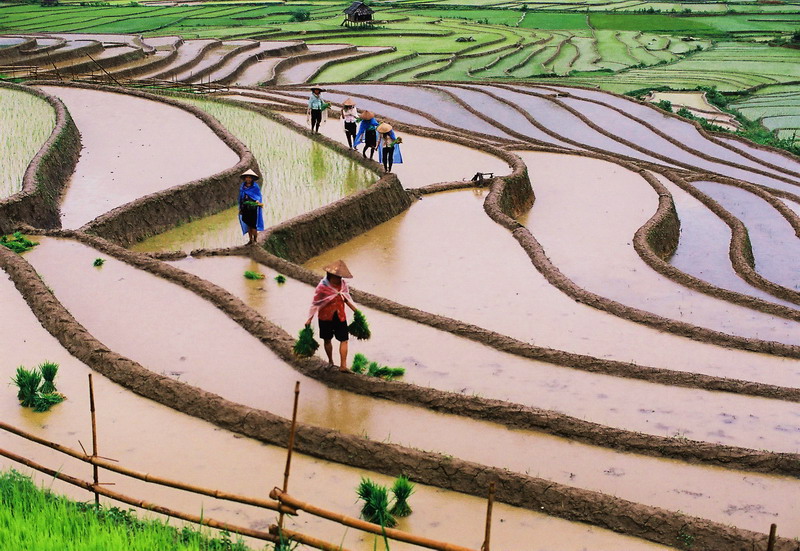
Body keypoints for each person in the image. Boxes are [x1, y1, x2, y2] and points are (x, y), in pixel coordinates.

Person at [305, 260, 357, 373]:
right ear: (331, 275)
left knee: (344, 339)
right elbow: (315, 303)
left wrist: (356, 311)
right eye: (337, 277)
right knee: (327, 340)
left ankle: (343, 366)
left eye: (341, 277)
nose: (339, 279)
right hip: (325, 317)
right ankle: (330, 362)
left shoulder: (343, 285)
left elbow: (346, 298)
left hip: (340, 316)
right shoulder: (322, 287)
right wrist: (309, 318)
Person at [238, 169, 264, 244]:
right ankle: (250, 240)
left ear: (252, 178)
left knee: (253, 225)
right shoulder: (243, 186)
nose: (248, 179)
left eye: (250, 177)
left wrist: (257, 201)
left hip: (253, 208)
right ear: (245, 178)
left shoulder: (255, 187)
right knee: (248, 224)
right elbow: (241, 197)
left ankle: (255, 240)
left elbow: (258, 196)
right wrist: (240, 208)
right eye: (247, 177)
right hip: (245, 208)